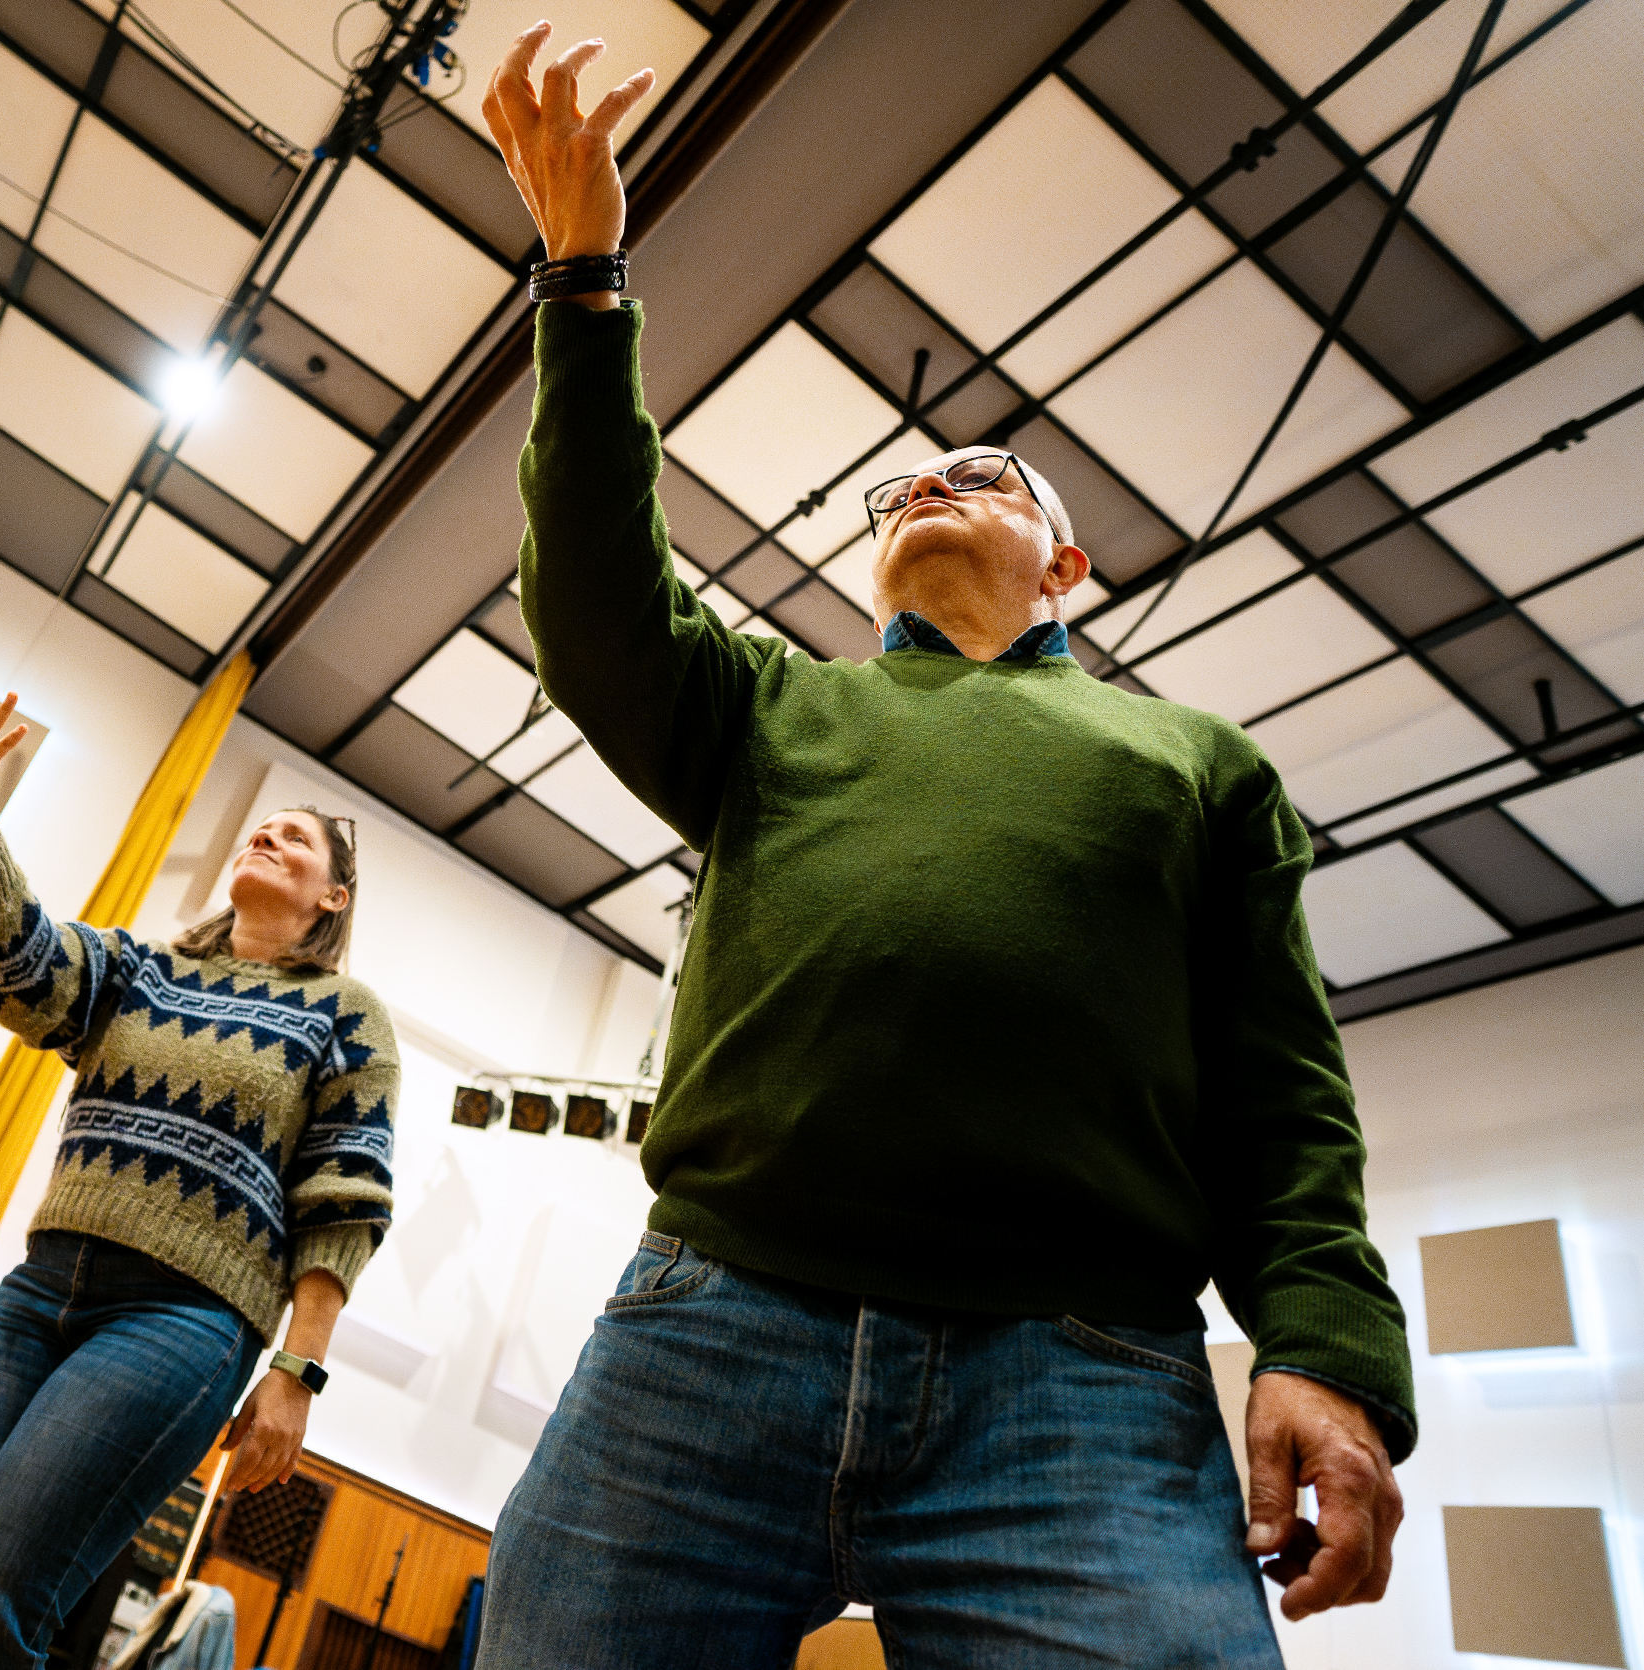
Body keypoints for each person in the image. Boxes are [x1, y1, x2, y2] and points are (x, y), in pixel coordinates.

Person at [470, 24, 1412, 1669]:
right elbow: (597, 605)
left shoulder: (1198, 764)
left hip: (1086, 1389)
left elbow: (1286, 1092)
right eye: (898, 487)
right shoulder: (769, 708)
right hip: (714, 1327)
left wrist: (1323, 1339)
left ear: (1071, 565)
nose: (921, 488)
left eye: (975, 477)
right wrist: (581, 279)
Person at [0, 670, 401, 1670]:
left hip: (181, 1320)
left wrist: (297, 1369)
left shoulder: (346, 1012)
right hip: (36, 1292)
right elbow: (22, 968)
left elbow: (345, 1196)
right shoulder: (142, 971)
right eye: (260, 827)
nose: (266, 837)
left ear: (333, 896)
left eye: (296, 837)